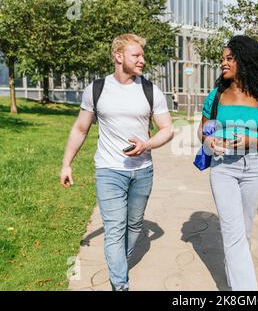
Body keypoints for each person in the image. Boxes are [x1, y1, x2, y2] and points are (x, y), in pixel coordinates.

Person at [60, 33, 173, 291]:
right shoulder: (97, 89)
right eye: (137, 55)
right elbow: (80, 129)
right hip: (109, 170)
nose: (142, 60)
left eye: (142, 55)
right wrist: (67, 163)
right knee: (114, 228)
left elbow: (167, 129)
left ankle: (118, 264)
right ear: (118, 57)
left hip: (143, 171)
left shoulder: (149, 90)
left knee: (134, 225)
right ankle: (120, 285)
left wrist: (147, 144)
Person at [197, 35, 258, 291]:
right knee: (232, 233)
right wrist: (209, 142)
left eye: (229, 59)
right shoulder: (216, 96)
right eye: (222, 59)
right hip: (223, 167)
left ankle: (236, 278)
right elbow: (203, 131)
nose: (223, 63)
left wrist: (248, 140)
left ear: (244, 61)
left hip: (254, 168)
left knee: (243, 232)